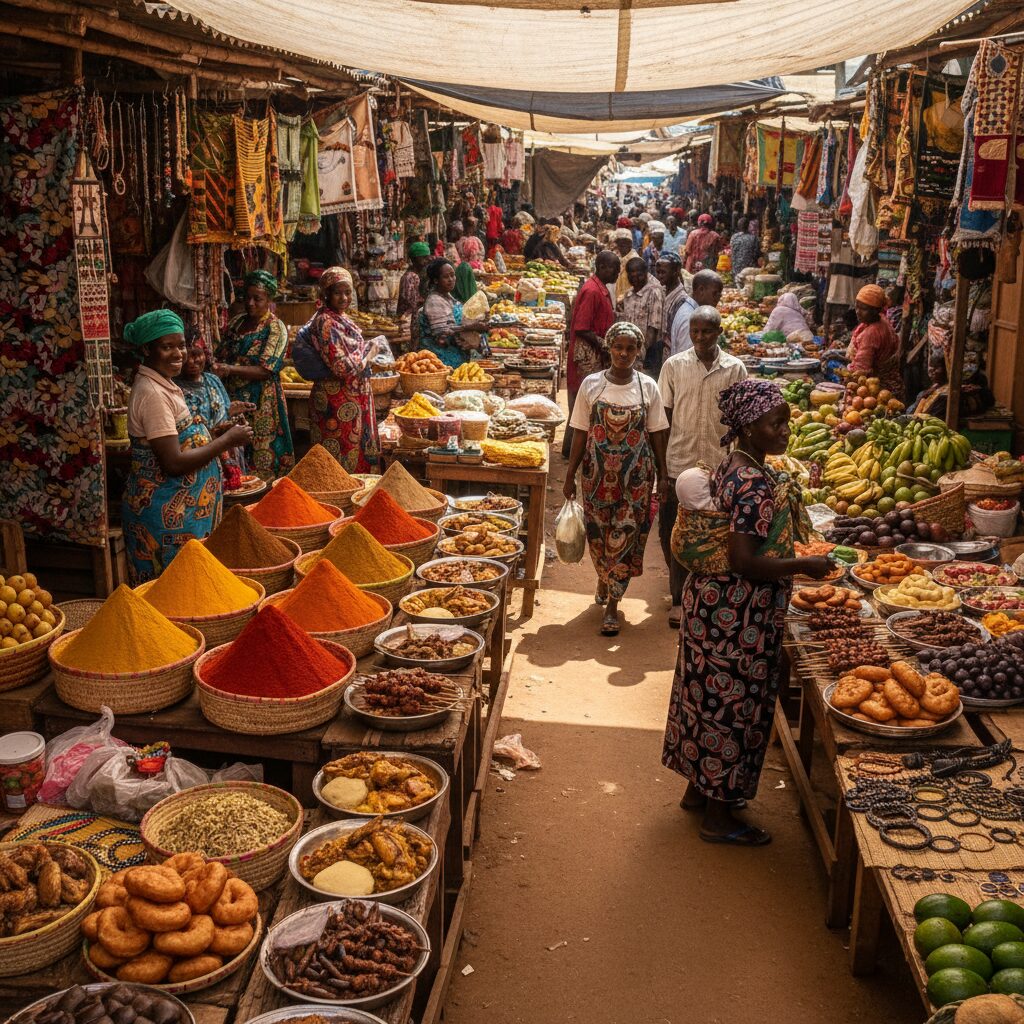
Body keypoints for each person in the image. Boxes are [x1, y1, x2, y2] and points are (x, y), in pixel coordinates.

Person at [662, 378, 831, 845]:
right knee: (734, 705)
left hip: (710, 605)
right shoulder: (753, 481)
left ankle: (700, 792)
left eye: (786, 423)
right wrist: (806, 564)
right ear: (748, 427)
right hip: (738, 614)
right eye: (776, 423)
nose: (785, 432)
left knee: (704, 698)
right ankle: (719, 818)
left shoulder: (733, 464)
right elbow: (744, 561)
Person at [122, 309, 253, 584]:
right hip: (166, 520)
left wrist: (217, 431)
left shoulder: (164, 384)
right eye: (167, 347)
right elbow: (173, 463)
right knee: (171, 591)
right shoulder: (153, 394)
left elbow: (180, 437)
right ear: (148, 349)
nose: (178, 353)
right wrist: (226, 441)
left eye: (181, 345)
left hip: (187, 517)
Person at [564, 322, 669, 637]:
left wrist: (663, 475)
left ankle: (613, 603)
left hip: (636, 479)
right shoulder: (591, 385)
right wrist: (570, 475)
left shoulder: (647, 386)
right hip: (596, 477)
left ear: (638, 351)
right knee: (598, 534)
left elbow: (657, 433)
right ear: (609, 348)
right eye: (618, 347)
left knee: (626, 534)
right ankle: (603, 575)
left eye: (630, 348)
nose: (624, 354)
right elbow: (580, 432)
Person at [657, 306, 748, 628]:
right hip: (678, 461)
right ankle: (678, 597)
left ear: (718, 333)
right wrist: (661, 470)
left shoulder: (735, 369)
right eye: (695, 331)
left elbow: (741, 420)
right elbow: (662, 420)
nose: (700, 337)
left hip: (718, 463)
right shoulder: (674, 366)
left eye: (706, 331)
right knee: (674, 531)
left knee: (713, 532)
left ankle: (705, 593)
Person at [215, 269, 294, 481]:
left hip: (262, 403)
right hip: (233, 399)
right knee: (234, 453)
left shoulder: (275, 328)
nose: (250, 303)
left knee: (261, 452)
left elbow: (266, 369)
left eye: (257, 299)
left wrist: (229, 369)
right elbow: (221, 352)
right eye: (247, 298)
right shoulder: (237, 322)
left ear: (269, 299)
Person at [302, 267, 380, 472]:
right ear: (326, 294)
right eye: (338, 292)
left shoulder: (340, 317)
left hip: (351, 398)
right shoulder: (325, 322)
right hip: (336, 401)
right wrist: (368, 354)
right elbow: (341, 367)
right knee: (339, 460)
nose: (344, 297)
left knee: (353, 456)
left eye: (348, 292)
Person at [176, 334, 252, 492]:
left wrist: (233, 411)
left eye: (197, 355)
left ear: (206, 355)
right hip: (198, 455)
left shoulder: (212, 380)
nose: (192, 361)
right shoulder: (174, 388)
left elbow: (221, 411)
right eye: (187, 356)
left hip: (226, 451)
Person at [563, 250, 619, 458]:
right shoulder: (592, 291)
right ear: (603, 267)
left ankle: (572, 449)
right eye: (616, 269)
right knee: (582, 402)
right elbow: (581, 327)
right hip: (586, 358)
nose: (618, 274)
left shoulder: (599, 289)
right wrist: (604, 344)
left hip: (592, 355)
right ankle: (572, 451)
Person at [418, 258, 488, 370]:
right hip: (442, 363)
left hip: (458, 360)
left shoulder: (449, 298)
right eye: (446, 277)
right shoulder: (435, 301)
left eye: (453, 275)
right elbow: (442, 337)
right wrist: (472, 327)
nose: (451, 279)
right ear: (436, 280)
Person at [848, 284, 903, 396]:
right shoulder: (881, 320)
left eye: (863, 309)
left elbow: (860, 371)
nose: (858, 311)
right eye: (857, 307)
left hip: (879, 389)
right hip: (894, 382)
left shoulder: (871, 334)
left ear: (875, 311)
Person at [908, 350, 995, 420]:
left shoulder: (947, 396)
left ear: (947, 370)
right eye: (931, 366)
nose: (931, 370)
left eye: (937, 367)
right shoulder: (935, 388)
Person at [622, 256, 665, 375]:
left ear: (646, 273)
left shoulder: (654, 292)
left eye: (639, 275)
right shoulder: (628, 295)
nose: (635, 279)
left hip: (648, 356)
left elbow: (653, 329)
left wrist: (640, 353)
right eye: (632, 275)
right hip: (629, 354)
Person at [669, 269, 723, 357]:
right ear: (701, 290)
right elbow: (687, 359)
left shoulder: (692, 311)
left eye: (719, 295)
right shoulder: (690, 317)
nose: (718, 299)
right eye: (715, 293)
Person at [656, 253, 688, 342]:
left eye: (663, 272)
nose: (659, 276)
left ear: (675, 272)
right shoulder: (661, 290)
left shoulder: (681, 299)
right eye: (658, 272)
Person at [397, 241, 432, 318]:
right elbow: (412, 303)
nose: (427, 260)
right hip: (408, 319)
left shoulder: (419, 274)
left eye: (427, 257)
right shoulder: (410, 277)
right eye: (424, 257)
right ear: (414, 259)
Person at [611, 227, 639, 307]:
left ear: (630, 244)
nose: (620, 246)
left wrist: (623, 298)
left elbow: (638, 287)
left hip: (629, 303)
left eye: (623, 243)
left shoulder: (634, 261)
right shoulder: (620, 257)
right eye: (619, 243)